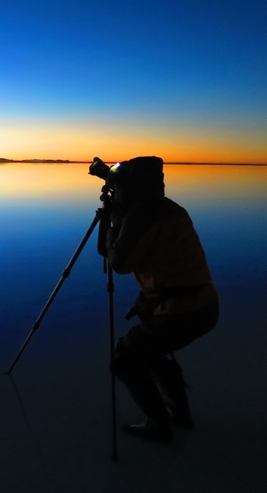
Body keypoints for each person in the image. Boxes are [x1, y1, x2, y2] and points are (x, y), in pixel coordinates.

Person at [103, 156, 219, 443]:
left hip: (180, 311)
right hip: (204, 304)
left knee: (125, 358)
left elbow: (119, 263)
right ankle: (177, 413)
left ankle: (159, 425)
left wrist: (113, 219)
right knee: (151, 351)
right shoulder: (170, 208)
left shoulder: (141, 215)